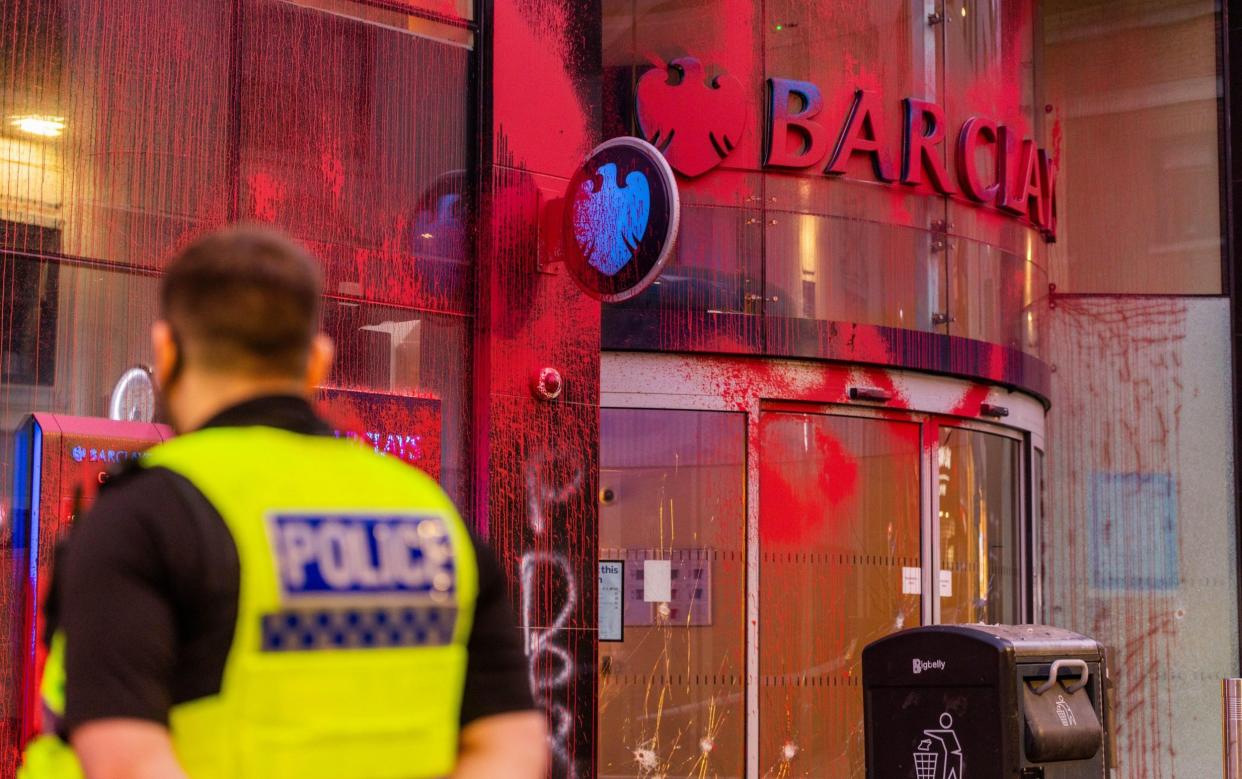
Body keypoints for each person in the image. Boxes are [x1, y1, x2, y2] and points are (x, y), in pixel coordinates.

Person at [19, 225, 546, 779]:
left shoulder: (143, 517)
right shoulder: (433, 517)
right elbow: (510, 745)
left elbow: (128, 763)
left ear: (166, 352)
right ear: (317, 362)